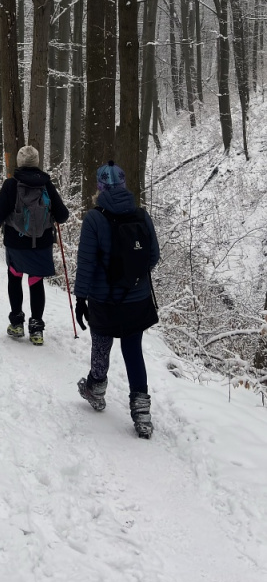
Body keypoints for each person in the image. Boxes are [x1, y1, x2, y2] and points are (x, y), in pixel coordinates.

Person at [74, 161, 160, 439]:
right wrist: (131, 278)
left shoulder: (94, 219)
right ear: (123, 185)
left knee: (102, 346)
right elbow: (153, 256)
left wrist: (81, 298)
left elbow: (86, 263)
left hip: (104, 299)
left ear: (100, 187)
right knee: (133, 350)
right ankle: (142, 412)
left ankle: (96, 390)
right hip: (137, 299)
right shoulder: (141, 215)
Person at [0, 145, 69, 346]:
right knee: (36, 281)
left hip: (16, 243)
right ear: (37, 162)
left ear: (19, 162)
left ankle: (16, 323)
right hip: (41, 243)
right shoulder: (46, 185)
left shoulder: (11, 184)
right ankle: (37, 329)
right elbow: (63, 215)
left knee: (15, 278)